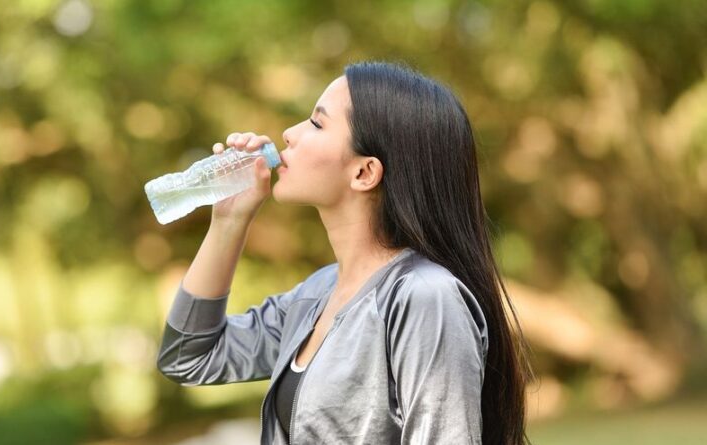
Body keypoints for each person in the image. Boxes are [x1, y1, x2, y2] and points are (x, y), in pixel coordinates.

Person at [156, 60, 534, 445]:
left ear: (364, 173)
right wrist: (229, 221)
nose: (289, 133)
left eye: (317, 124)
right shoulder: (316, 295)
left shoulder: (423, 296)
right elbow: (189, 357)